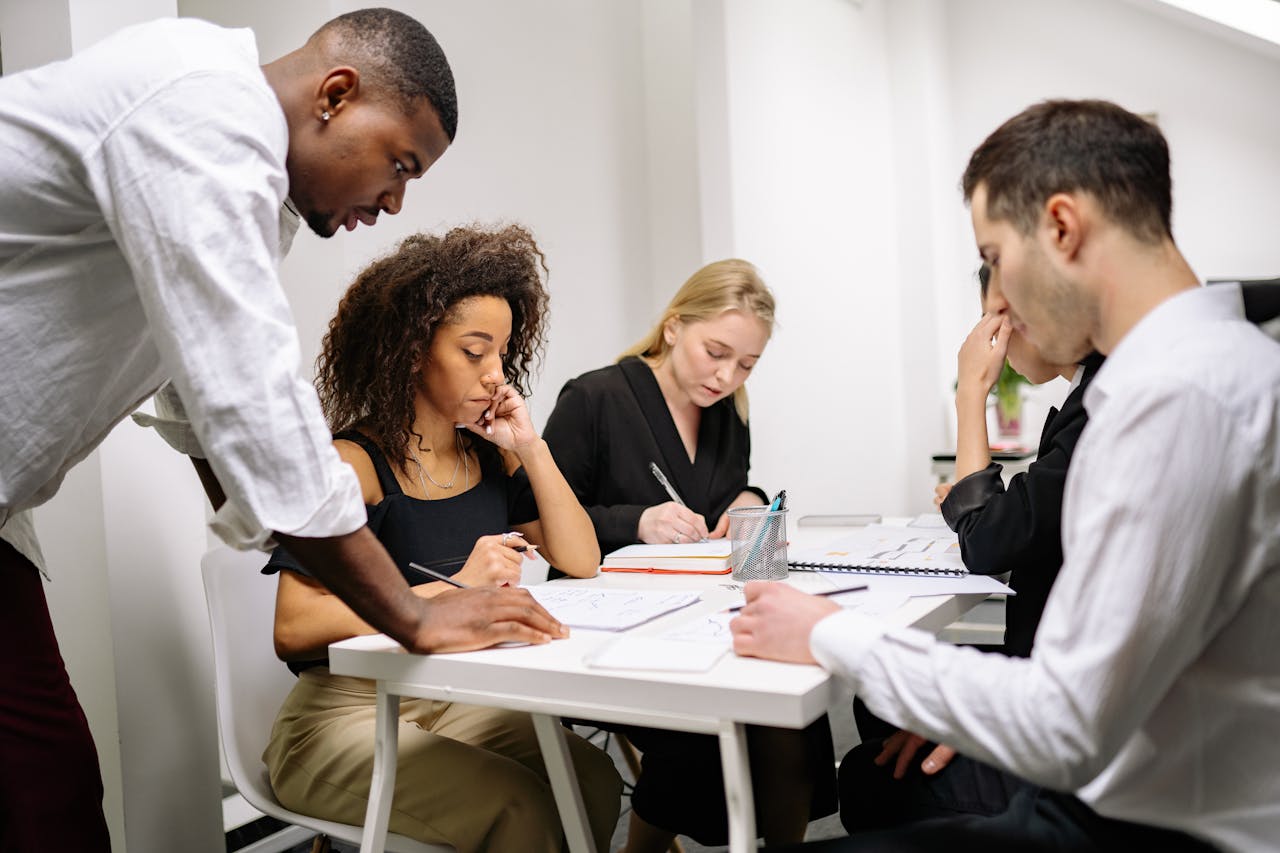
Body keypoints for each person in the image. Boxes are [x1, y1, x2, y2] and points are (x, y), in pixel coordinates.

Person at [0, 10, 561, 851]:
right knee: (46, 801)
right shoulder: (204, 115)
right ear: (336, 95)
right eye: (398, 164)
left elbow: (193, 399)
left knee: (47, 795)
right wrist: (413, 612)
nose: (396, 200)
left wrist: (270, 523)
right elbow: (248, 400)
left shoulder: (255, 196)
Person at [732, 99, 1280, 851]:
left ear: (1061, 226)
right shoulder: (1219, 368)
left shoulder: (1177, 401)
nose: (993, 295)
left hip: (1144, 819)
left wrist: (831, 633)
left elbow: (1064, 724)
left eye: (993, 257)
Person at [261, 225, 622, 852]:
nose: (496, 375)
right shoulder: (353, 465)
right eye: (474, 352)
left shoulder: (489, 454)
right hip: (342, 712)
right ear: (410, 350)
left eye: (503, 354)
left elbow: (581, 559)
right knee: (519, 809)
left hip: (450, 695)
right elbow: (293, 627)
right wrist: (453, 593)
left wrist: (530, 447)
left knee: (591, 779)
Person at [543, 260, 837, 851]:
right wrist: (635, 521)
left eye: (747, 364)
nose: (727, 375)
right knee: (705, 726)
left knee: (792, 711)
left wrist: (749, 497)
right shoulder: (595, 398)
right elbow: (538, 522)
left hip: (701, 617)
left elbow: (732, 491)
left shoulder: (729, 414)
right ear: (675, 327)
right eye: (716, 352)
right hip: (605, 630)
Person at [839, 261, 1104, 834]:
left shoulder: (1105, 406)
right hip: (1058, 672)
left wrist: (971, 392)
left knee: (868, 773)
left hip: (1069, 704)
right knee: (874, 701)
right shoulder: (1096, 393)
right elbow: (1026, 518)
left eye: (1000, 316)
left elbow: (985, 540)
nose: (993, 334)